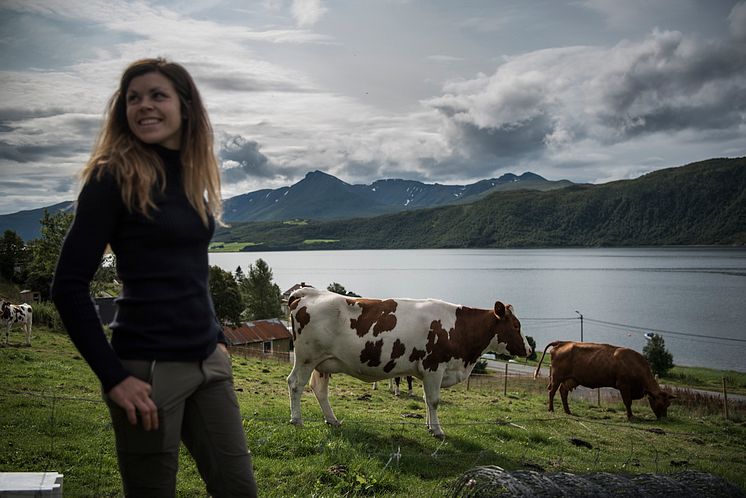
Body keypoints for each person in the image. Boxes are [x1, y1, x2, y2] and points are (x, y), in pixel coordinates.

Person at [51, 58, 258, 497]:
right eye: (133, 98)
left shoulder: (191, 174)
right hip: (147, 370)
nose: (144, 106)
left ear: (185, 106)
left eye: (157, 95)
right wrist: (113, 376)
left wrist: (217, 336)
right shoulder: (113, 177)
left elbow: (190, 269)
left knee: (238, 488)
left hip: (210, 363)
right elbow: (67, 285)